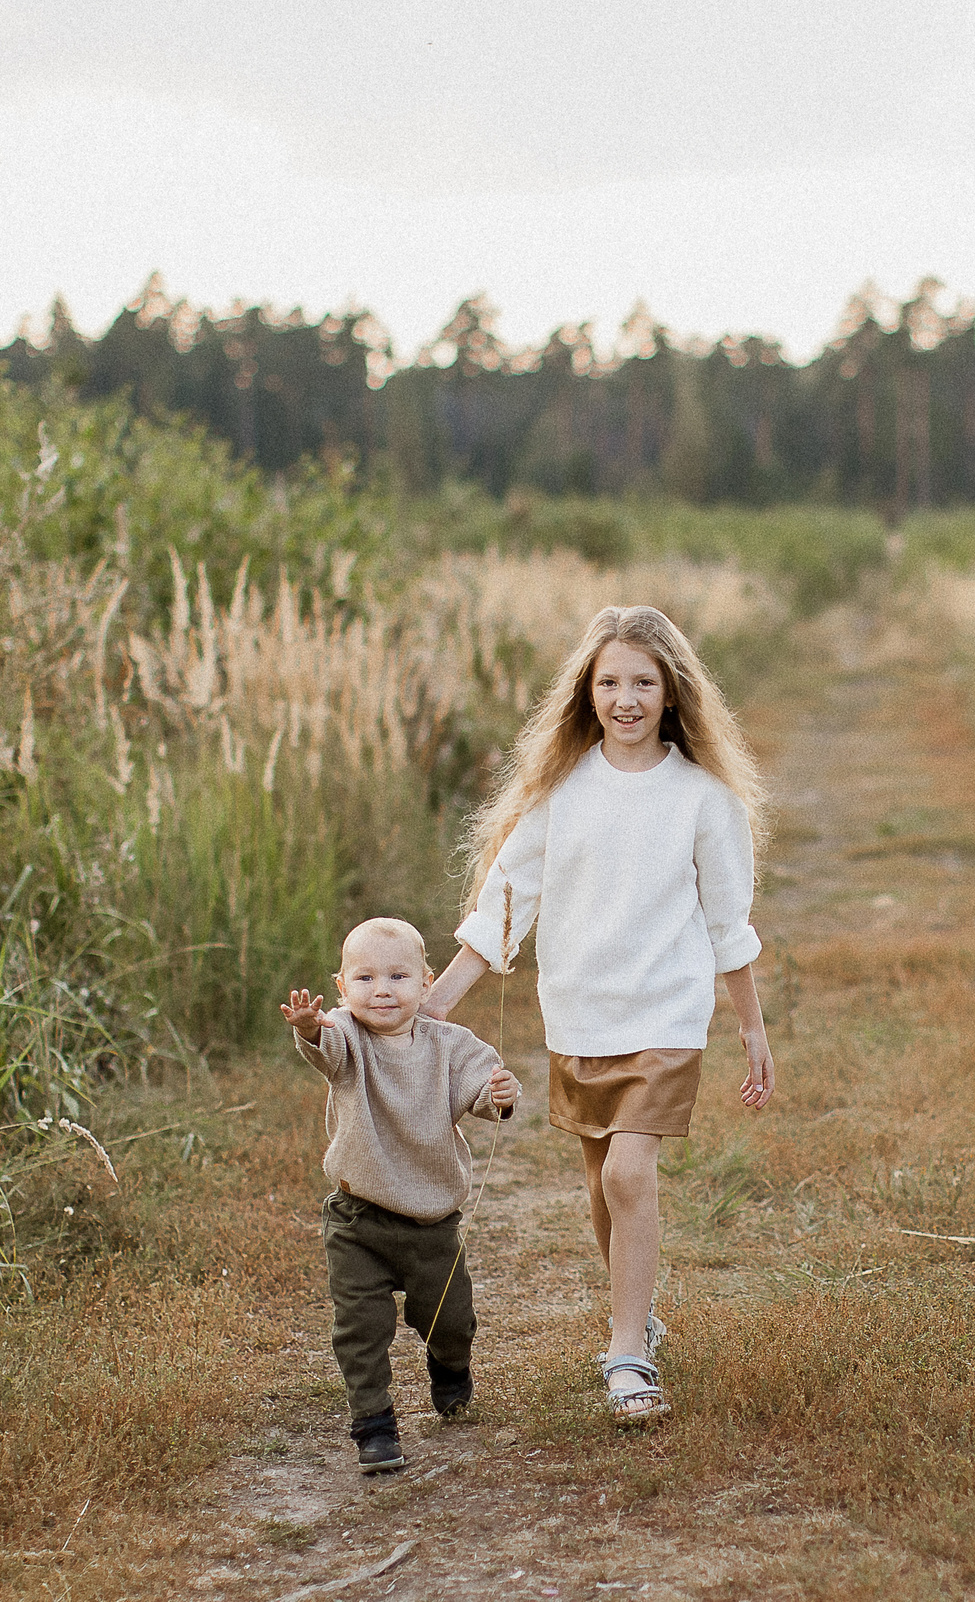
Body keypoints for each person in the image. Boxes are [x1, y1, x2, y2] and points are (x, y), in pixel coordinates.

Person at [419, 604, 774, 1425]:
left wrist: (750, 1024)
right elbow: (506, 903)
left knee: (627, 1171)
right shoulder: (562, 791)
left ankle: (626, 1353)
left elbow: (727, 921)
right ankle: (635, 1310)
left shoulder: (702, 797)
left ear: (672, 693)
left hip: (666, 1012)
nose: (625, 697)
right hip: (580, 1012)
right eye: (609, 680)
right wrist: (435, 1003)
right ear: (587, 690)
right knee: (598, 1185)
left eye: (643, 682)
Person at [281, 916, 521, 1474]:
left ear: (426, 983)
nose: (382, 990)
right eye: (364, 978)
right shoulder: (345, 1036)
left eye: (397, 976)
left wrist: (501, 1094)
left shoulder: (451, 1045)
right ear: (341, 988)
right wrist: (310, 1028)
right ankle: (374, 1426)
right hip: (357, 1219)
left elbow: (487, 1092)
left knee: (451, 1319)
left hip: (431, 1225)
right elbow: (326, 1051)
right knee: (361, 1328)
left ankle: (450, 1366)